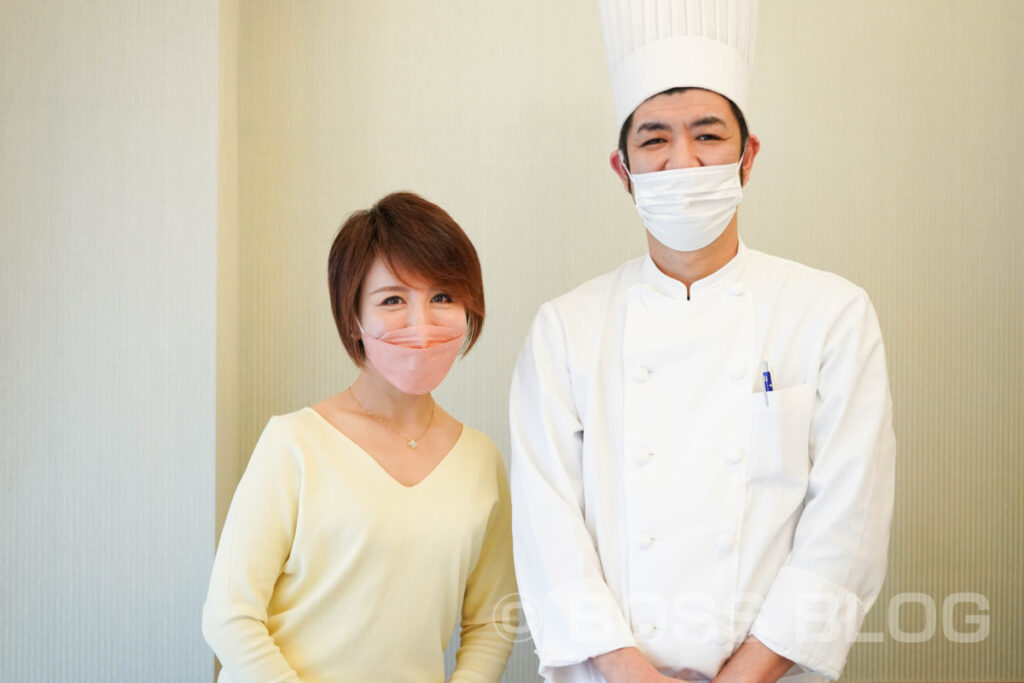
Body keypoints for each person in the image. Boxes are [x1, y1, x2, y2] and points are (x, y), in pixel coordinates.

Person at [509, 2, 895, 682]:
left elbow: (848, 523)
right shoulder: (566, 328)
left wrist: (743, 675)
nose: (682, 162)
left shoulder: (831, 313)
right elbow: (548, 526)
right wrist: (633, 672)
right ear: (622, 169)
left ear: (748, 157)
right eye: (654, 139)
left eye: (707, 136)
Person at [203, 191, 517, 682]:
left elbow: (493, 620)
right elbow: (229, 616)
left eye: (443, 297)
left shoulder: (481, 459)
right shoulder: (294, 443)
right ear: (353, 317)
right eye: (393, 299)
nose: (422, 323)